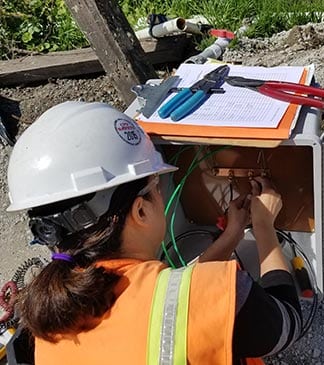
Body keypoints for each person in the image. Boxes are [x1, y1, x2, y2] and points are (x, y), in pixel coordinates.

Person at [6, 101, 302, 365]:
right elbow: (288, 322)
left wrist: (231, 236)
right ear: (141, 211)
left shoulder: (44, 317)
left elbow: (173, 300)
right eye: (156, 189)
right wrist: (264, 227)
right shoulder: (212, 291)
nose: (162, 195)